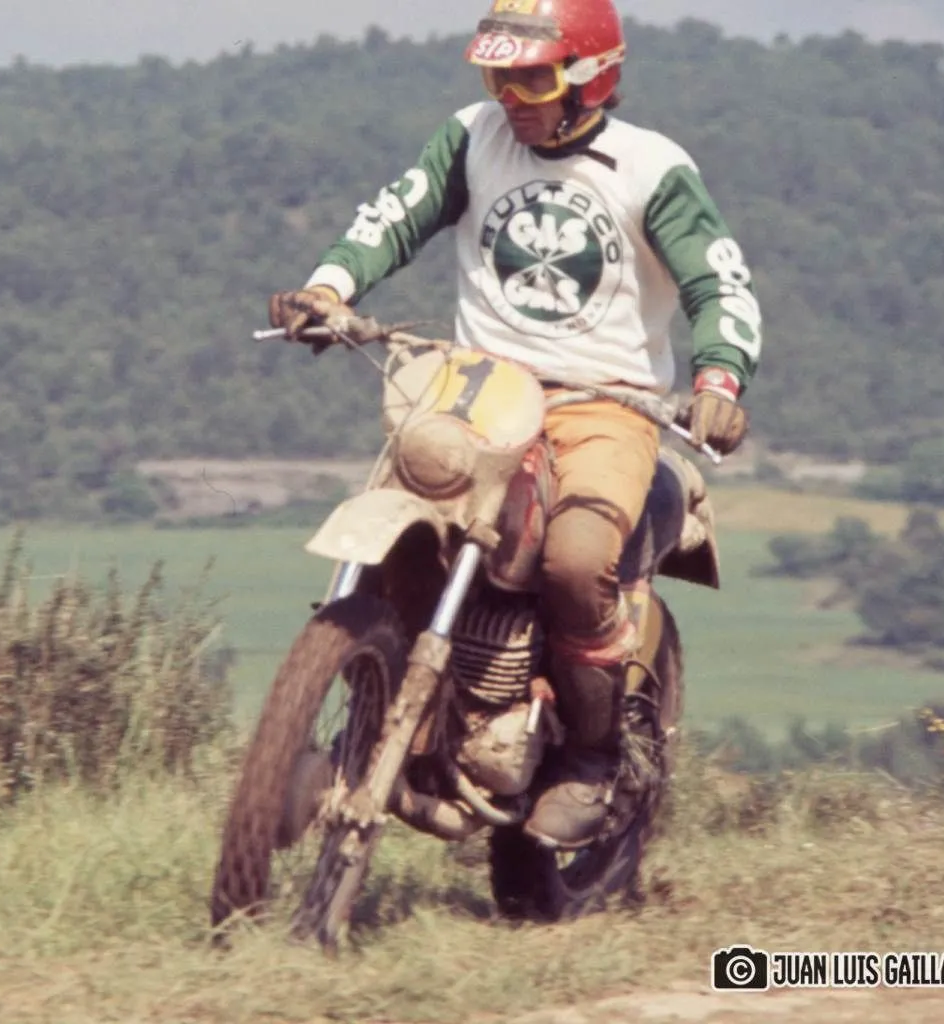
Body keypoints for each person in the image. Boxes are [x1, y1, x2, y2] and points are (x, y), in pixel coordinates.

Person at [267, 0, 761, 848]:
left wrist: (718, 379)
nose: (510, 97)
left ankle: (593, 758)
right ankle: (410, 722)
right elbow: (395, 216)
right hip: (480, 391)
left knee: (576, 561)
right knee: (404, 523)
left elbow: (719, 285)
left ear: (589, 76)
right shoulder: (472, 137)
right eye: (499, 76)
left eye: (531, 79)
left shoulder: (651, 168)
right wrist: (328, 289)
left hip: (608, 403)